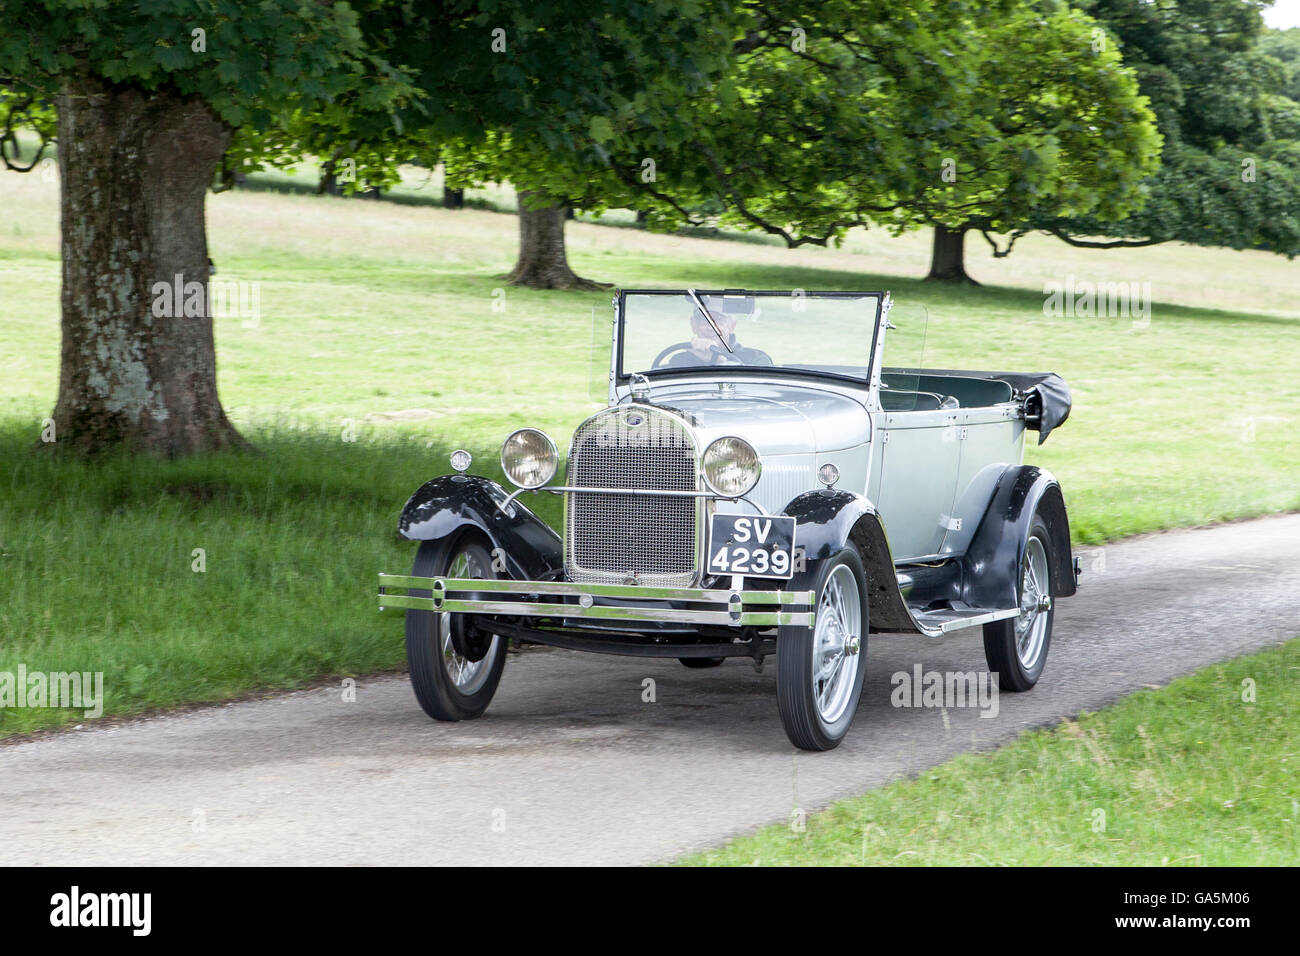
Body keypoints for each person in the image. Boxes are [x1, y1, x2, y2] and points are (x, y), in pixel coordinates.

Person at [667, 305, 773, 367]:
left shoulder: (757, 359)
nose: (711, 327)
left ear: (732, 325)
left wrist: (719, 361)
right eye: (704, 319)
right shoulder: (680, 361)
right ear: (693, 325)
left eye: (718, 319)